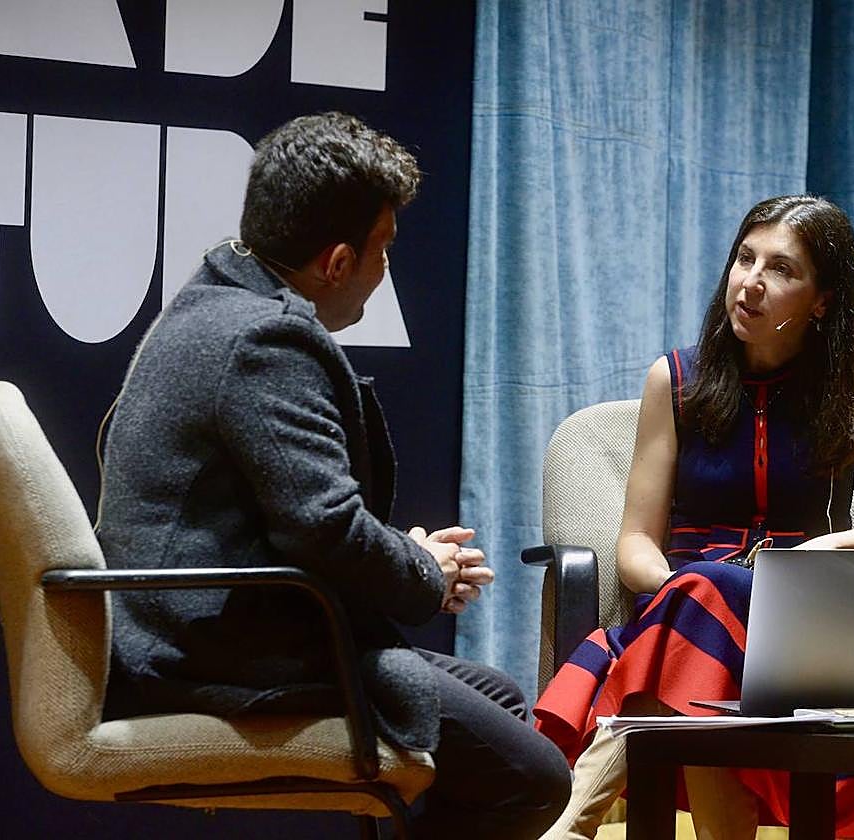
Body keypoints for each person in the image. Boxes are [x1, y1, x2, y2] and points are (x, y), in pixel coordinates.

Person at [95, 112, 570, 839]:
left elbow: (295, 516)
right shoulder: (265, 340)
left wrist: (408, 557)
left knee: (501, 701)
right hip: (208, 656)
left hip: (189, 628)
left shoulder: (214, 304)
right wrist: (424, 570)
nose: (386, 273)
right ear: (339, 262)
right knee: (535, 780)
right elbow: (324, 528)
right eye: (383, 251)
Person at [534, 195, 854, 839]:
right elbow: (636, 546)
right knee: (706, 595)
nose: (751, 283)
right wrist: (684, 587)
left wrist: (819, 555)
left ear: (822, 299)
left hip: (804, 622)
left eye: (782, 270)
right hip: (691, 614)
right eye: (744, 258)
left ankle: (572, 823)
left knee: (697, 617)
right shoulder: (674, 380)